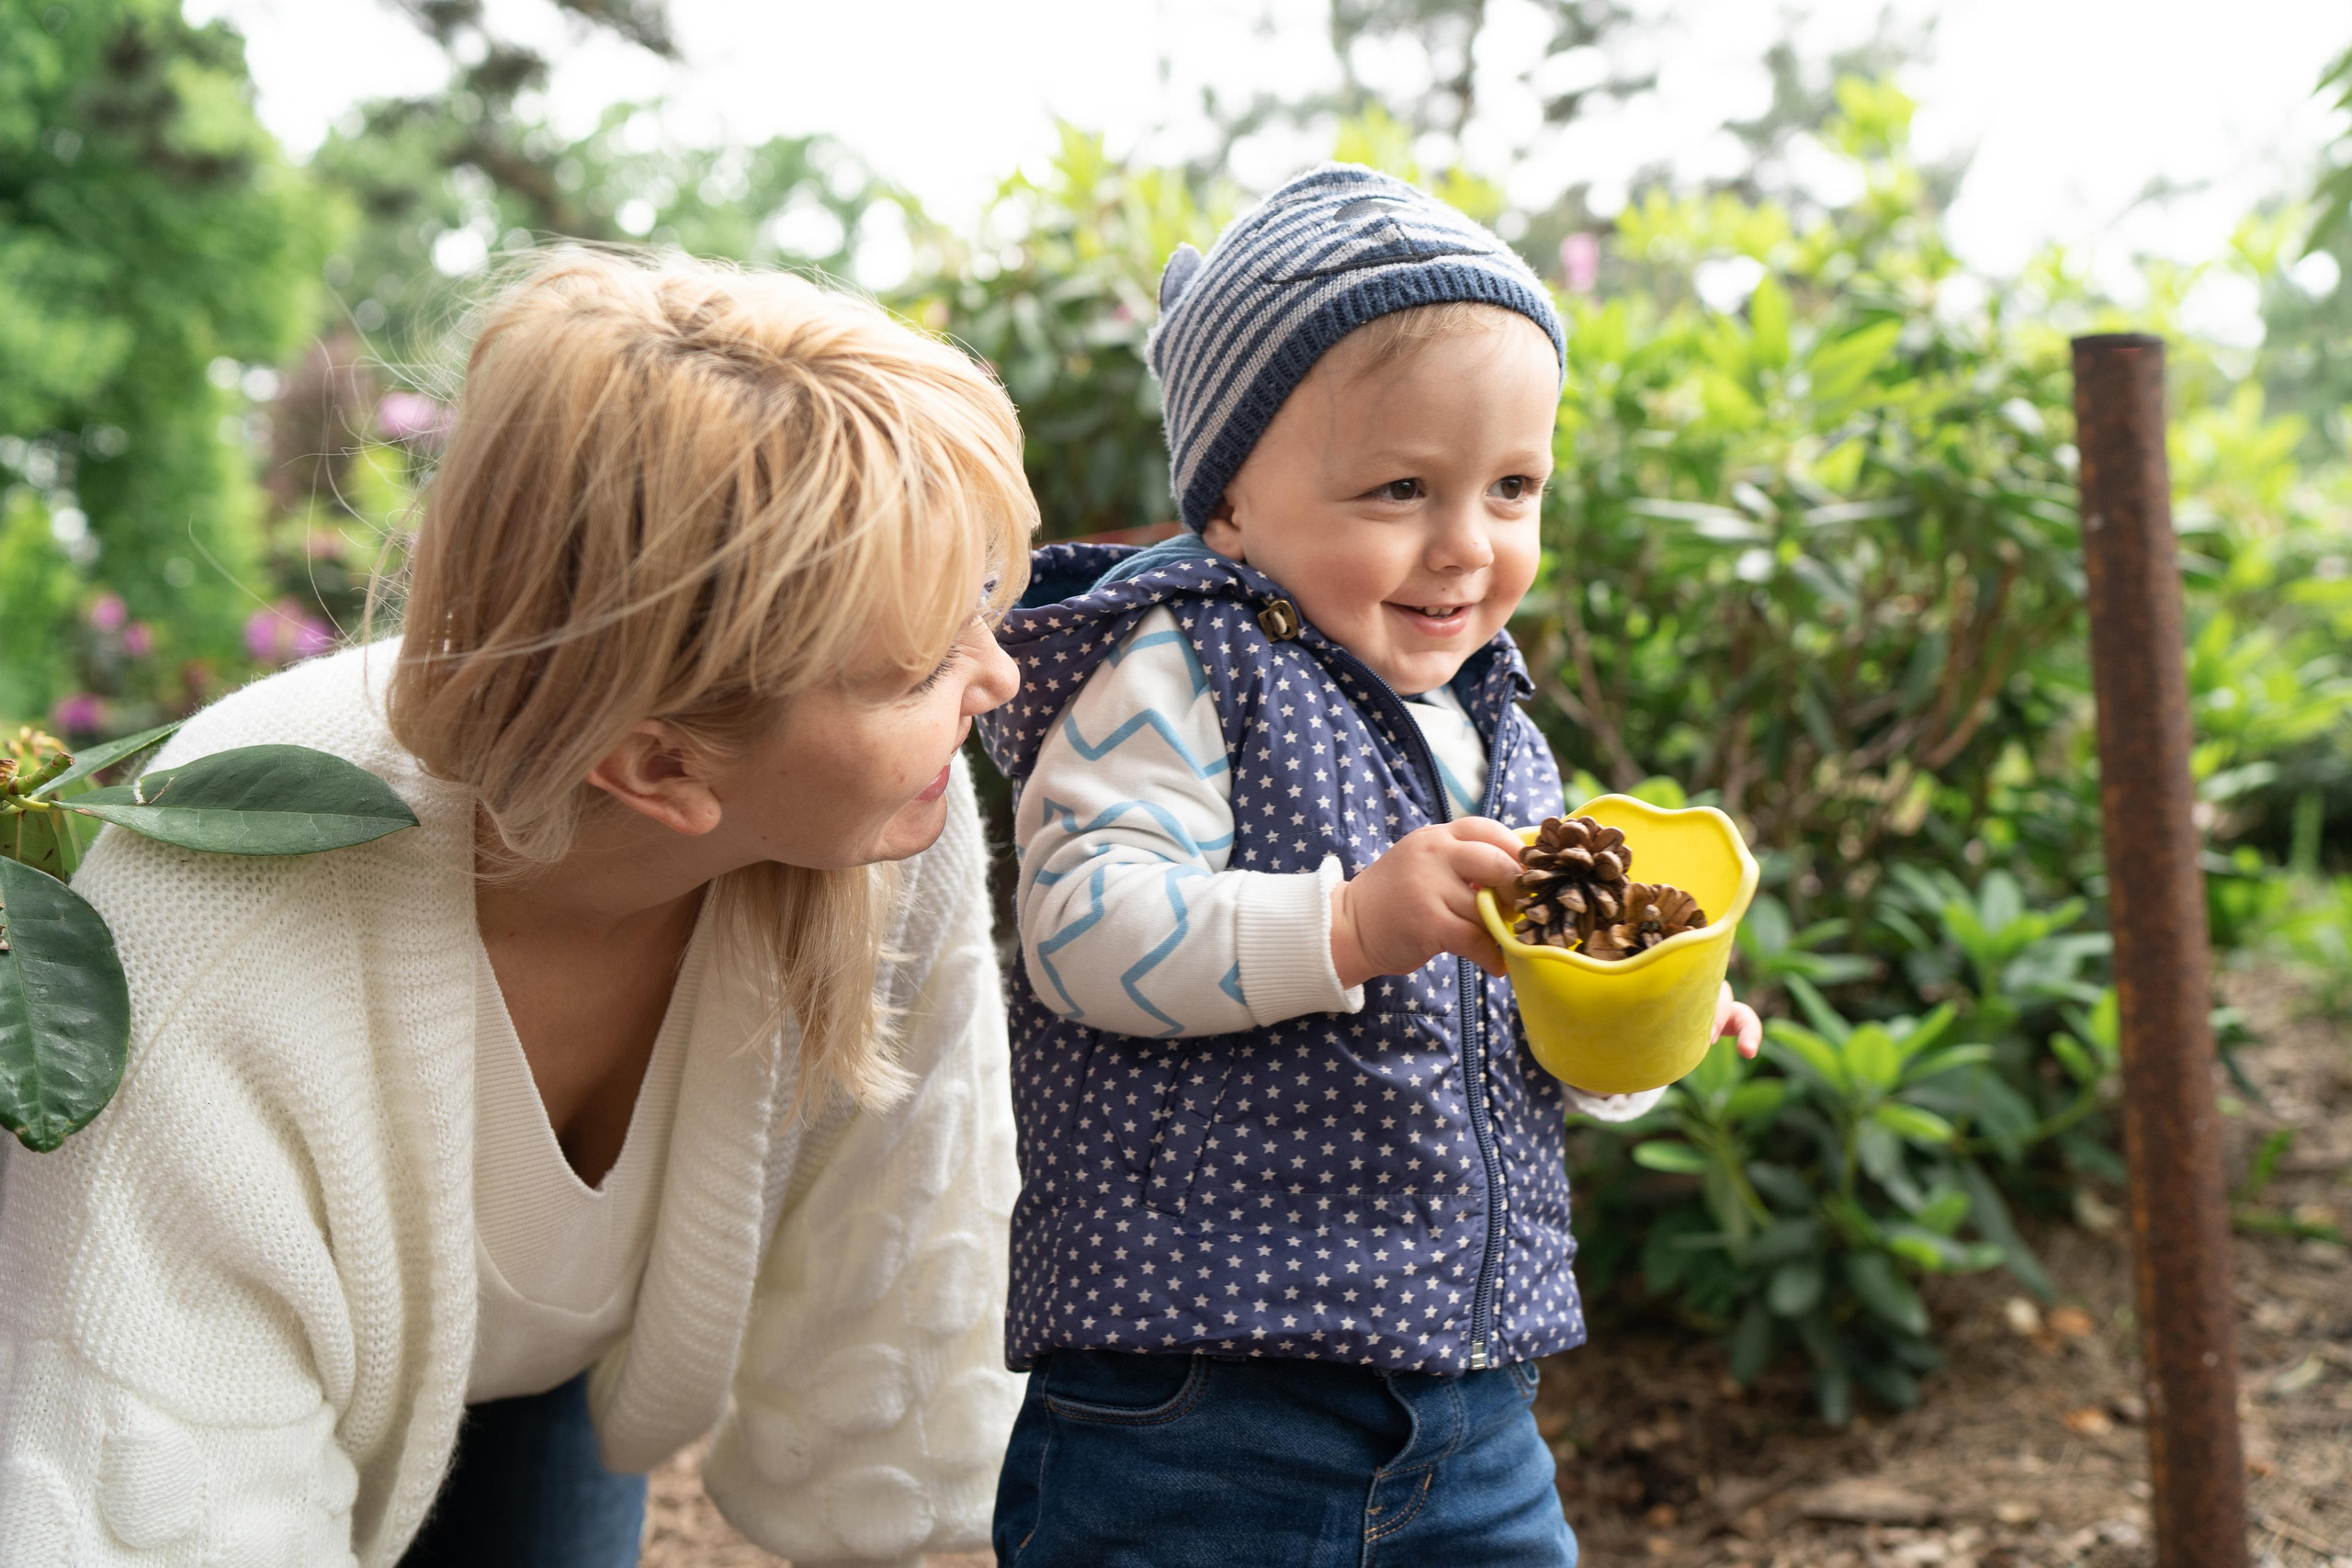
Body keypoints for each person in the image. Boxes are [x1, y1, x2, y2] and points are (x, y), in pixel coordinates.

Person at [0, 251, 1035, 1567]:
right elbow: (166, 1514)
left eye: (981, 615)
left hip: (548, 1379)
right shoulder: (219, 920)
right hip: (233, 1363)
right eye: (918, 666)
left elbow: (897, 1356)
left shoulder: (888, 838)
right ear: (660, 764)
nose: (997, 677)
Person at [976, 165, 1763, 1564]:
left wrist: (1639, 1021)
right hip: (1200, 1407)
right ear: (1228, 505)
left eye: (1513, 488)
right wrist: (1343, 924)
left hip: (1471, 1412)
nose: (1466, 544)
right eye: (1401, 487)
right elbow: (1082, 928)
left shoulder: (1497, 730)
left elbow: (1531, 1018)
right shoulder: (1186, 666)